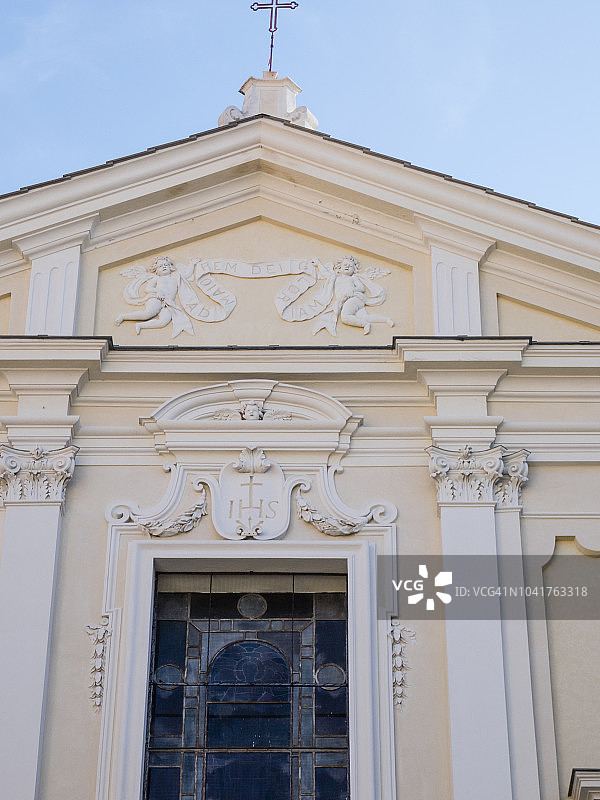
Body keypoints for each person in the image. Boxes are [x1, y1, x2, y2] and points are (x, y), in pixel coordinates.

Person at [313, 256, 395, 335]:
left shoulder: (353, 278)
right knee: (366, 317)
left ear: (354, 270)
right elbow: (325, 273)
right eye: (345, 265)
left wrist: (352, 290)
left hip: (354, 298)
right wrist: (318, 263)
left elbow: (361, 288)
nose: (347, 267)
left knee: (345, 317)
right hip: (348, 302)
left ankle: (365, 324)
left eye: (351, 266)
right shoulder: (335, 277)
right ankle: (386, 320)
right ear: (339, 267)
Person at [115, 256, 193, 336]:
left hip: (168, 303)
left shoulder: (176, 278)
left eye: (165, 265)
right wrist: (158, 291)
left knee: (163, 322)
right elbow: (148, 288)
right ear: (156, 270)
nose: (164, 267)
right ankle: (123, 317)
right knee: (148, 313)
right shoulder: (157, 278)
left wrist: (192, 264)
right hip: (156, 298)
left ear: (170, 267)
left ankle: (140, 325)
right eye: (160, 266)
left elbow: (187, 275)